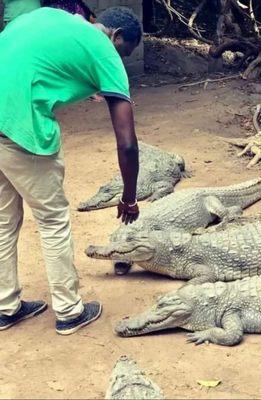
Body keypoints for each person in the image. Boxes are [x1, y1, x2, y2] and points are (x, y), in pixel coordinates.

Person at [0, 6, 141, 335]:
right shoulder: (104, 50)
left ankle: (6, 307)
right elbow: (128, 143)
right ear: (115, 36)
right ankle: (69, 311)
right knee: (52, 220)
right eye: (125, 51)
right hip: (20, 128)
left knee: (3, 221)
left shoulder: (49, 17)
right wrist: (130, 198)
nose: (121, 60)